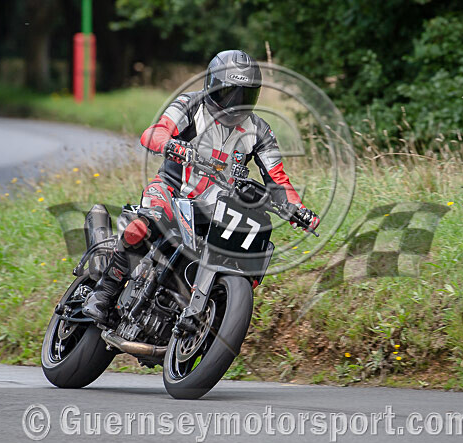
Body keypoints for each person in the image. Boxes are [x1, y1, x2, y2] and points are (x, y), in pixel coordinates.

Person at [82, 49, 320, 323]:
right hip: (171, 190)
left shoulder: (260, 131)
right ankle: (103, 294)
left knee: (240, 247)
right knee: (143, 225)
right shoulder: (190, 104)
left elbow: (278, 179)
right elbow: (153, 133)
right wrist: (172, 145)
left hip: (214, 209)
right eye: (228, 92)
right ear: (211, 85)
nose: (235, 103)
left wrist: (298, 209)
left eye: (245, 95)